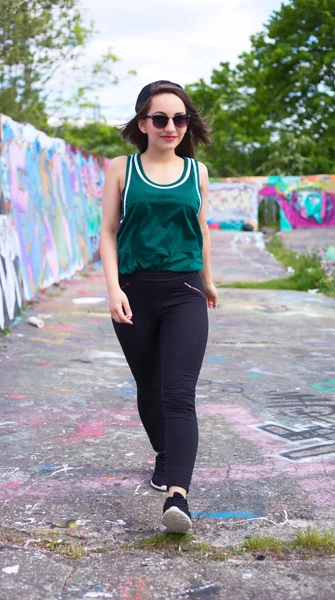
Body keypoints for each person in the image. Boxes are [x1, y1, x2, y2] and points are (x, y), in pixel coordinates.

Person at [100, 80, 218, 533]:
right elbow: (109, 232)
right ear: (142, 122)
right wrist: (113, 289)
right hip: (133, 289)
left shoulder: (198, 172)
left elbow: (201, 229)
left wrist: (207, 280)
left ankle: (178, 498)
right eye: (161, 118)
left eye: (180, 118)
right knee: (149, 389)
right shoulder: (121, 169)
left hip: (184, 291)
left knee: (178, 393)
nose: (171, 127)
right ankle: (165, 454)